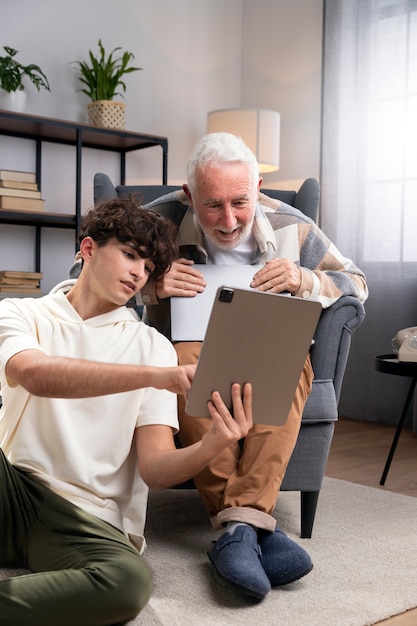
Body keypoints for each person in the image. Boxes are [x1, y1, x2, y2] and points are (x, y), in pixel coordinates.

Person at [132, 132, 368, 599]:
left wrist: (305, 277)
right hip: (184, 349)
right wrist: (151, 286)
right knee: (186, 363)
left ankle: (235, 529)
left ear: (259, 188)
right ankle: (256, 527)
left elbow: (356, 282)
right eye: (212, 204)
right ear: (188, 195)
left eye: (240, 201)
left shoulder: (292, 226)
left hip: (266, 341)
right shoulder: (155, 222)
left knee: (293, 359)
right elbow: (85, 280)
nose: (228, 219)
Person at [0, 198, 253, 626]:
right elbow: (35, 375)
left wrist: (215, 443)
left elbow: (154, 469)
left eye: (149, 267)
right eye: (131, 254)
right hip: (13, 491)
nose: (139, 273)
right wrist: (155, 378)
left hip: (86, 518)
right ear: (88, 248)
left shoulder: (153, 347)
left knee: (128, 583)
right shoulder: (20, 311)